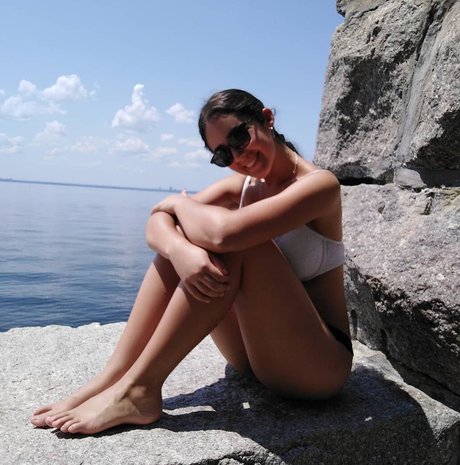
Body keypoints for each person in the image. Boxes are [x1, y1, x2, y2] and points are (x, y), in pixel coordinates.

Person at [30, 89, 353, 435]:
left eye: (239, 137)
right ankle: (114, 376)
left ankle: (139, 391)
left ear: (267, 119)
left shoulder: (320, 186)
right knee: (188, 237)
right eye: (223, 154)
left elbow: (223, 235)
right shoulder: (243, 187)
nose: (238, 155)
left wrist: (180, 204)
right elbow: (157, 222)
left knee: (238, 242)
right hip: (255, 356)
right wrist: (178, 250)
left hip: (318, 365)